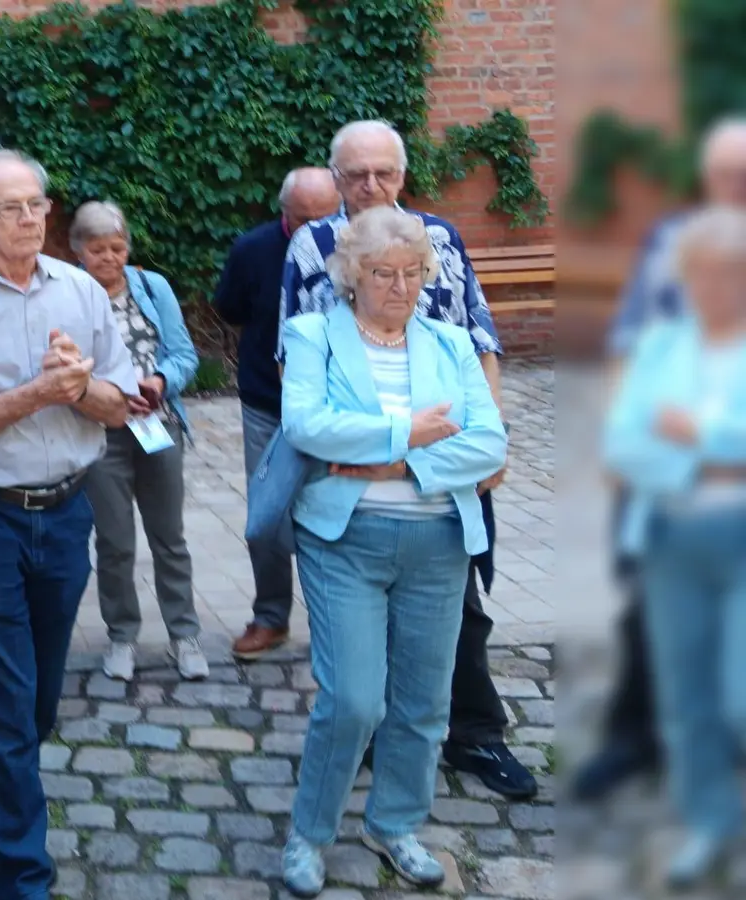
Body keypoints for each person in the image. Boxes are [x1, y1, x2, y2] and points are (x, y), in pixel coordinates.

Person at [279, 120, 533, 800]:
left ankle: (475, 734)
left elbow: (479, 333)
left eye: (383, 173)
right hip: (356, 457)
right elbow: (302, 363)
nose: (370, 185)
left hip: (449, 448)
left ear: (402, 174)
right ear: (335, 178)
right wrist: (376, 439)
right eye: (356, 173)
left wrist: (495, 433)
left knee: (465, 604)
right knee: (361, 615)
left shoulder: (440, 238)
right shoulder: (314, 243)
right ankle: (367, 734)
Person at [0, 149, 135, 900]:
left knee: (36, 702)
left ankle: (17, 782)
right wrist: (40, 392)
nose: (31, 218)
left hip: (68, 512)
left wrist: (80, 390)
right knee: (7, 713)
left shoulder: (79, 290)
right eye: (10, 207)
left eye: (38, 203)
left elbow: (121, 402)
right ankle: (23, 880)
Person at [276, 207, 508, 897]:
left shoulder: (450, 343)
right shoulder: (312, 333)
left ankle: (395, 823)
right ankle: (309, 835)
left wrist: (392, 463)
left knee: (423, 701)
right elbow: (309, 426)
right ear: (352, 275)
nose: (400, 287)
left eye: (412, 273)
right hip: (344, 540)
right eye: (383, 273)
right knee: (352, 700)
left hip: (438, 541)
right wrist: (412, 430)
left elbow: (489, 444)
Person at [575, 116, 746, 801]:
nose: (737, 186)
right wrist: (625, 442)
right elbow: (628, 348)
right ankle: (634, 736)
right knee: (647, 606)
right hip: (667, 465)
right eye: (727, 175)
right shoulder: (673, 242)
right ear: (706, 180)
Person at [603, 205, 746, 889]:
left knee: (739, 698)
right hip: (670, 536)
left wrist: (693, 432)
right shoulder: (662, 345)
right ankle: (709, 822)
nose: (716, 287)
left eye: (731, 274)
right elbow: (625, 444)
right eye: (702, 275)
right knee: (686, 699)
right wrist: (712, 454)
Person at [69, 200, 206, 681]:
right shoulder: (69, 295)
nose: (110, 257)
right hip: (102, 433)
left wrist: (161, 382)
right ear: (78, 252)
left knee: (169, 536)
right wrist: (105, 396)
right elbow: (64, 368)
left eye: (118, 247)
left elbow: (184, 353)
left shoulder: (153, 287)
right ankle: (121, 636)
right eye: (98, 249)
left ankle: (184, 634)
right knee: (115, 541)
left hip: (158, 426)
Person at [214, 167, 340, 660]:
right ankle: (271, 615)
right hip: (269, 401)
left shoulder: (353, 244)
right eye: (300, 218)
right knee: (266, 516)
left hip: (338, 405)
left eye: (322, 217)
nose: (311, 229)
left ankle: (338, 620)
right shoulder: (252, 249)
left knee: (338, 510)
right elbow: (231, 307)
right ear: (282, 210)